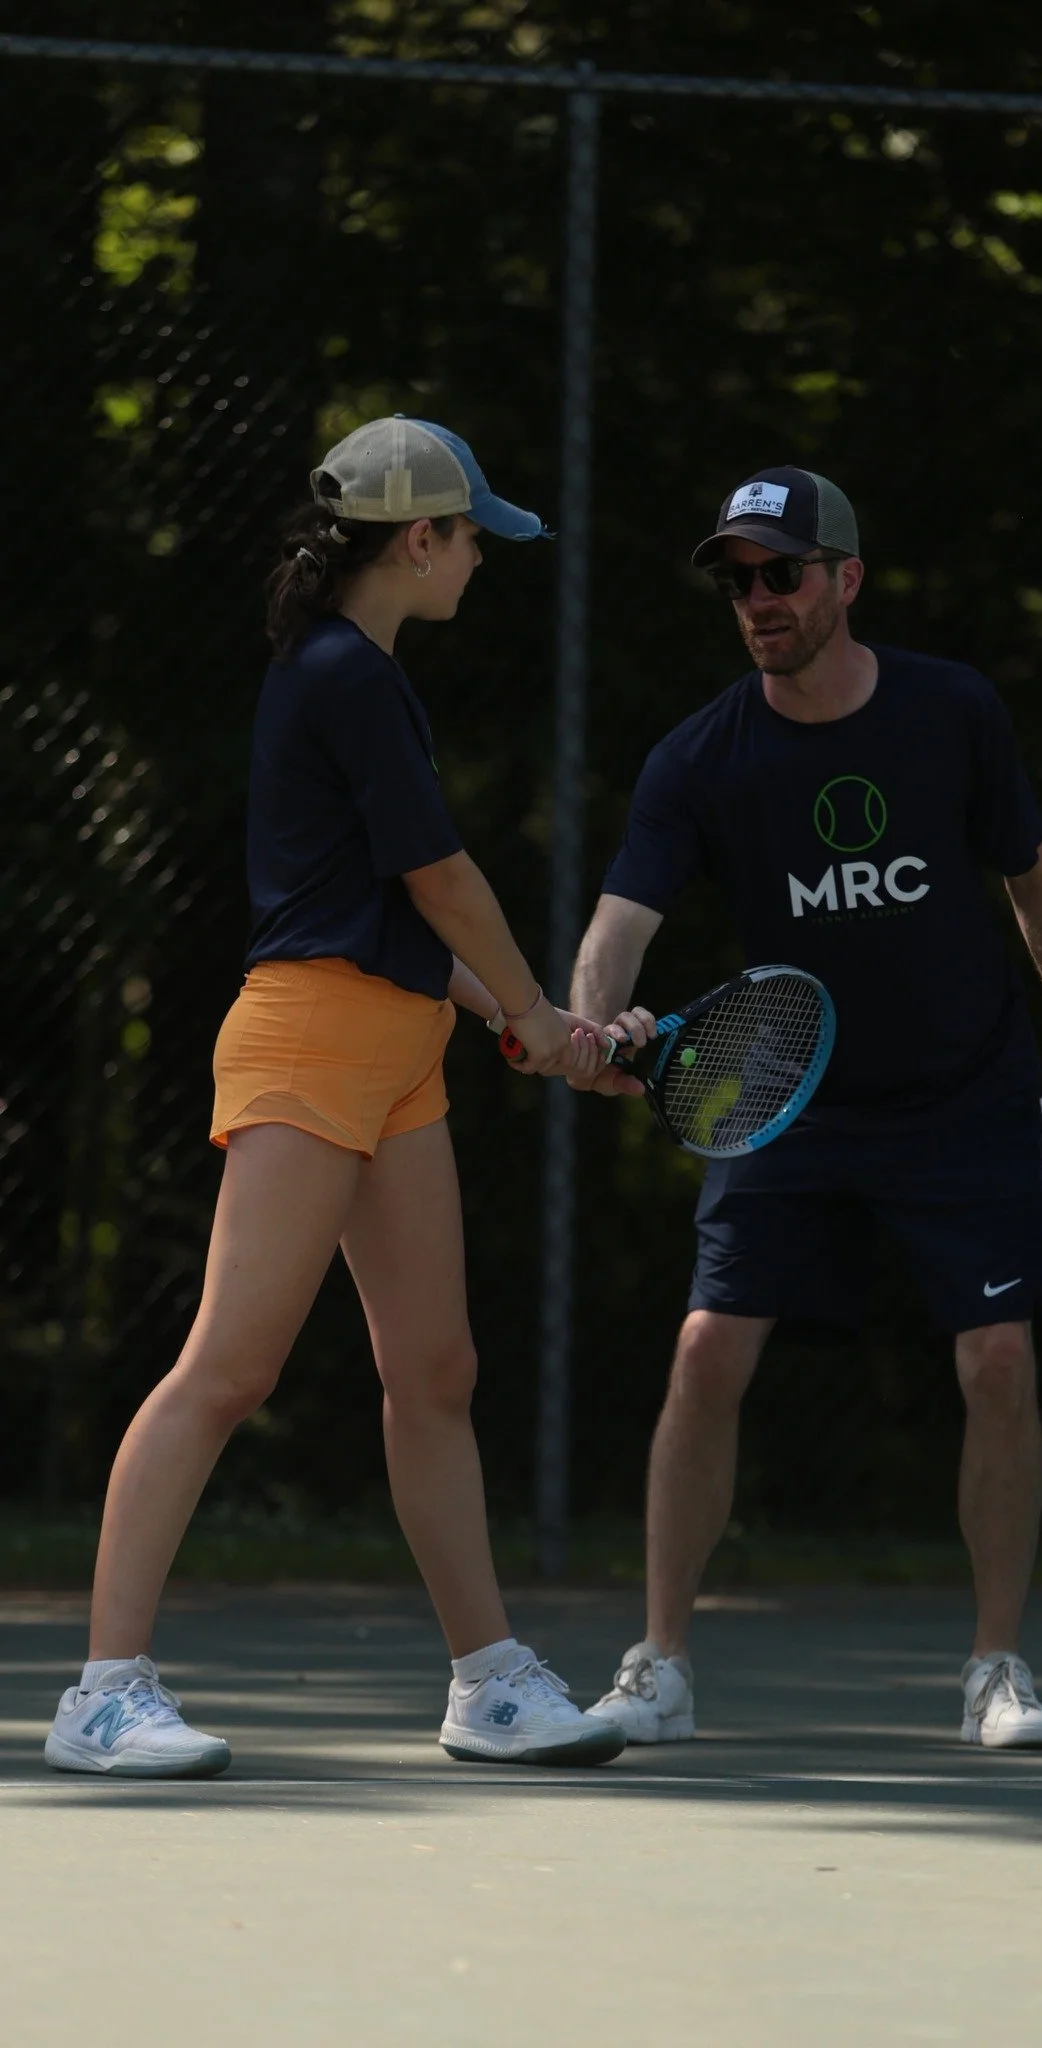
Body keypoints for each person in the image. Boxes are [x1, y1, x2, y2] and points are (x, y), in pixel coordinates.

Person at [45, 416, 622, 1777]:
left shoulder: (361, 675)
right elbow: (439, 881)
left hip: (397, 1049)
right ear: (418, 540)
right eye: (471, 534)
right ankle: (101, 1692)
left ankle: (487, 1680)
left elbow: (402, 920)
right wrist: (540, 1013)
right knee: (227, 1370)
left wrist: (538, 1027)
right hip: (308, 1042)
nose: (482, 557)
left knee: (435, 1372)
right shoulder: (342, 676)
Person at [570, 466, 1042, 1751]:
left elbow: (1031, 880)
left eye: (781, 572)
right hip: (792, 1105)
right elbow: (621, 920)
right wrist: (595, 1019)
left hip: (964, 1091)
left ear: (845, 579)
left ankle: (997, 1667)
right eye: (738, 579)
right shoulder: (699, 757)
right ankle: (658, 1662)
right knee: (705, 1349)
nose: (758, 599)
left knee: (997, 1358)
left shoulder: (953, 712)